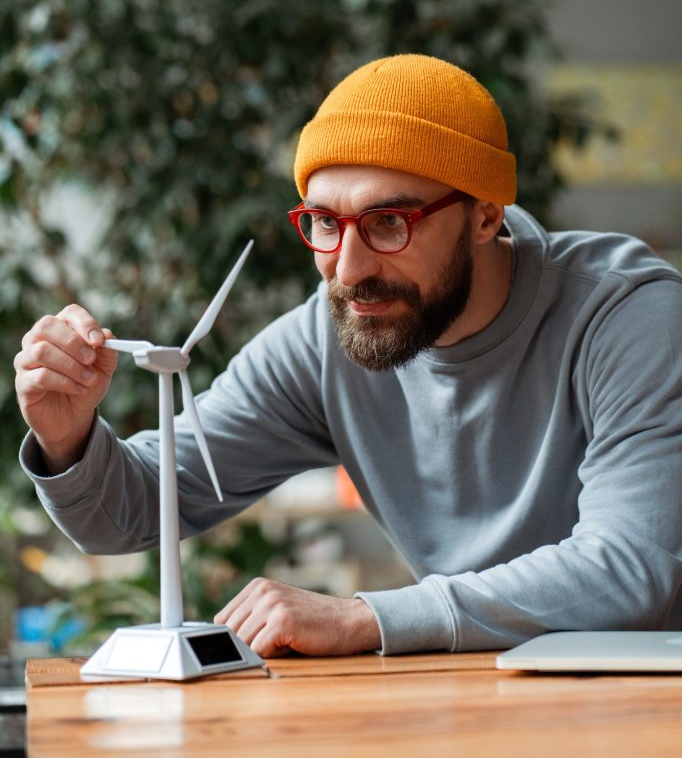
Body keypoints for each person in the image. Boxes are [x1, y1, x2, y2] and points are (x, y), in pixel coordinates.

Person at [15, 54, 682, 658]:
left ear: (485, 214)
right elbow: (132, 512)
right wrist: (68, 433)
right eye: (326, 223)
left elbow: (630, 568)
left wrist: (366, 616)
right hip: (472, 703)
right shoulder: (323, 340)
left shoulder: (626, 315)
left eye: (391, 222)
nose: (349, 268)